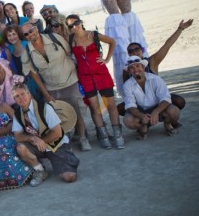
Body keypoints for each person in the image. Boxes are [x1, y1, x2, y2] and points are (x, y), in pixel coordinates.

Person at [19, 21, 90, 151]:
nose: (30, 34)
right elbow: (33, 73)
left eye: (31, 30)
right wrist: (45, 93)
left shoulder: (55, 38)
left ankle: (83, 138)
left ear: (36, 29)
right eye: (26, 34)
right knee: (60, 117)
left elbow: (70, 52)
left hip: (70, 81)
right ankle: (66, 143)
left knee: (77, 112)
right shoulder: (27, 52)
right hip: (51, 87)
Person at [66, 15, 124, 149]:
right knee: (95, 107)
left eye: (77, 23)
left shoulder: (94, 35)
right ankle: (103, 135)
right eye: (71, 26)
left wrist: (107, 59)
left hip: (101, 74)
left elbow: (112, 42)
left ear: (81, 22)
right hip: (85, 77)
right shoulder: (70, 40)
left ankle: (118, 135)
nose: (75, 26)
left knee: (110, 105)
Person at [11, 83, 79, 186]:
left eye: (23, 94)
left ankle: (68, 158)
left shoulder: (44, 107)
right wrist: (32, 138)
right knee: (20, 147)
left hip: (55, 144)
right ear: (14, 100)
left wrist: (42, 141)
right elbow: (17, 136)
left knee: (69, 177)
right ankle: (40, 170)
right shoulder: (17, 114)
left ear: (29, 94)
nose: (21, 98)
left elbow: (57, 132)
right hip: (37, 144)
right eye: (17, 96)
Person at [122, 19, 193, 110]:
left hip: (157, 97)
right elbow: (126, 86)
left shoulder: (152, 61)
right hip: (141, 100)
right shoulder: (127, 69)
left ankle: (169, 119)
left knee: (180, 101)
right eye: (131, 51)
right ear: (128, 54)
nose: (134, 52)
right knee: (120, 108)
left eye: (137, 49)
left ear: (142, 51)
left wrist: (180, 29)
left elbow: (167, 45)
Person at [122, 56, 181, 139]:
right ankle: (143, 125)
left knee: (174, 111)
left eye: (138, 66)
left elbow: (166, 98)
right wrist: (141, 116)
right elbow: (130, 105)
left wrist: (156, 112)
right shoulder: (127, 85)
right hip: (141, 110)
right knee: (128, 120)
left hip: (158, 108)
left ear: (143, 67)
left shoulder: (156, 79)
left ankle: (167, 123)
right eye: (132, 68)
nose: (135, 70)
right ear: (129, 71)